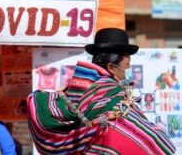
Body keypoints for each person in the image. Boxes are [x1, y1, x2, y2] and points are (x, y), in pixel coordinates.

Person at [27, 28, 176, 155]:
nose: (129, 70)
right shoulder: (113, 94)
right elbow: (142, 136)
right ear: (111, 67)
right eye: (127, 65)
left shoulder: (75, 90)